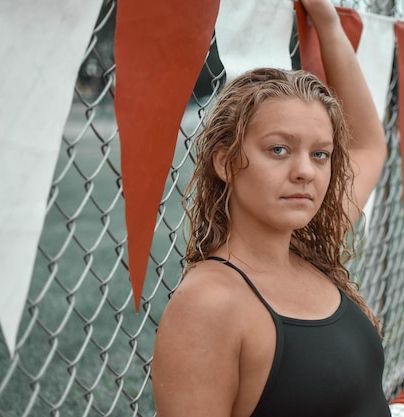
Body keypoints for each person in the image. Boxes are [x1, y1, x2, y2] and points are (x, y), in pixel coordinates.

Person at [151, 0, 389, 415]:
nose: (305, 173)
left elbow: (368, 145)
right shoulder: (209, 305)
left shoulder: (309, 249)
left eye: (320, 155)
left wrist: (328, 22)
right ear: (225, 162)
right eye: (279, 150)